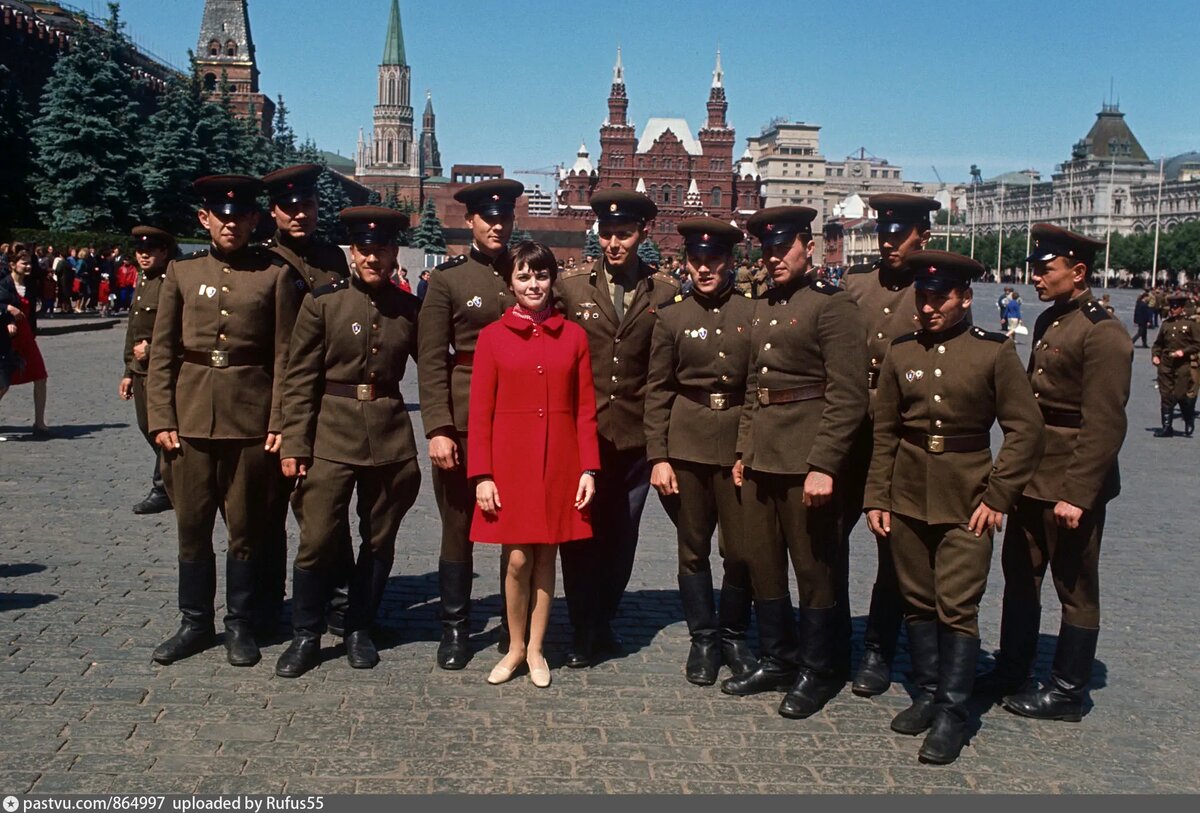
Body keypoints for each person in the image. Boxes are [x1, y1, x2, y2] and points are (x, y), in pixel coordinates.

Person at [865, 250, 1044, 764]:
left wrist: (998, 495)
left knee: (956, 605)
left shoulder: (992, 353)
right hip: (907, 496)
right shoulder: (901, 352)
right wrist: (878, 495)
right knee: (918, 601)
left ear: (966, 298)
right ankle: (926, 692)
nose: (928, 307)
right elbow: (886, 432)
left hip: (967, 500)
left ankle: (952, 713)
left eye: (939, 298)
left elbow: (1025, 429)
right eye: (922, 298)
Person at [977, 225, 1133, 724]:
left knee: (1075, 586)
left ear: (1078, 272)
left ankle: (1067, 689)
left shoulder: (1103, 332)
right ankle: (1013, 667)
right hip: (1032, 477)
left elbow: (1105, 422)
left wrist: (1079, 493)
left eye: (1045, 270)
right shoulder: (1049, 320)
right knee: (1021, 577)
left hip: (1070, 484)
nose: (1035, 278)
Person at [146, 174, 303, 667]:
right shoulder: (181, 273)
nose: (230, 225)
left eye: (240, 217)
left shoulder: (274, 275)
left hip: (250, 422)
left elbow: (285, 357)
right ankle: (194, 622)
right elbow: (164, 353)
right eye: (221, 217)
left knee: (246, 529)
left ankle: (240, 623)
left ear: (254, 220)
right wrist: (160, 418)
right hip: (189, 421)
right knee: (191, 526)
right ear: (204, 219)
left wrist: (279, 418)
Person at [721, 206, 867, 722]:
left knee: (813, 568)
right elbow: (754, 388)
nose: (774, 257)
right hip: (763, 457)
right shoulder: (764, 304)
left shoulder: (833, 306)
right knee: (763, 562)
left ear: (807, 245)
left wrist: (826, 463)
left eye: (783, 248)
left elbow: (849, 396)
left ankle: (819, 667)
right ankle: (778, 658)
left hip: (807, 459)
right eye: (767, 249)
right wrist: (743, 451)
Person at [275, 207, 422, 676]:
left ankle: (359, 626)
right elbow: (298, 380)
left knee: (379, 539)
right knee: (317, 538)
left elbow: (436, 371)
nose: (372, 258)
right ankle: (306, 635)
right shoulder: (323, 303)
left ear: (394, 252)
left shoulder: (409, 309)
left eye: (381, 249)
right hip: (329, 437)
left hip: (389, 437)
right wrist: (296, 444)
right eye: (363, 249)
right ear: (351, 252)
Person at [555, 190, 683, 668]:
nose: (613, 243)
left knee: (622, 535)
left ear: (643, 233)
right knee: (581, 533)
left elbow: (662, 371)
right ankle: (583, 628)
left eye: (623, 234)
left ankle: (603, 618)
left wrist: (659, 442)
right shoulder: (572, 287)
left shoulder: (664, 291)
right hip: (582, 434)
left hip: (634, 435)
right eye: (606, 234)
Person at [468, 241, 599, 688]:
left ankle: (537, 649)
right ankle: (515, 647)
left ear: (552, 279)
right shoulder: (491, 337)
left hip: (561, 460)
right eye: (524, 276)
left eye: (541, 275)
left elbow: (585, 410)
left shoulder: (574, 337)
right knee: (518, 558)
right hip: (511, 462)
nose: (533, 284)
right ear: (510, 283)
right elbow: (479, 411)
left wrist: (588, 469)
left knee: (548, 556)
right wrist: (482, 474)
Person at [644, 217, 758, 686]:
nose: (704, 269)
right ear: (686, 262)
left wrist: (749, 449)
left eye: (713, 260)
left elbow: (758, 386)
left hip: (737, 447)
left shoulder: (754, 314)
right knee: (692, 550)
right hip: (686, 446)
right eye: (696, 260)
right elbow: (657, 390)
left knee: (740, 551)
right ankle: (703, 640)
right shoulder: (672, 316)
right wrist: (659, 457)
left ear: (730, 262)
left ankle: (733, 635)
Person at [417, 178, 524, 670]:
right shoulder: (448, 281)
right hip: (461, 422)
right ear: (471, 221)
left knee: (515, 527)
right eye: (487, 218)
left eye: (503, 218)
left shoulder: (528, 273)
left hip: (518, 422)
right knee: (457, 526)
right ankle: (455, 627)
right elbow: (431, 359)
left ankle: (512, 621)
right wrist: (438, 426)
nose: (496, 225)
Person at [838, 193, 938, 697]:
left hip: (898, 436)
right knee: (827, 538)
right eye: (885, 234)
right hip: (849, 429)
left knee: (892, 549)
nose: (890, 243)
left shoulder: (931, 292)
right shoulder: (856, 283)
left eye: (901, 235)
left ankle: (878, 648)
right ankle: (832, 641)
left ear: (924, 234)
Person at [260, 163, 354, 639]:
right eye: (290, 207)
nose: (300, 214)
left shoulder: (333, 257)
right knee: (267, 510)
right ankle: (269, 604)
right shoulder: (262, 259)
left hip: (326, 398)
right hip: (271, 399)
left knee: (324, 506)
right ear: (273, 211)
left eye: (308, 206)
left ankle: (339, 602)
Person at [118, 226, 176, 515]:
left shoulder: (171, 281)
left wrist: (152, 351)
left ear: (164, 252)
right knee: (146, 426)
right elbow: (134, 328)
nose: (143, 255)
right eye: (140, 251)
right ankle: (173, 481)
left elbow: (184, 328)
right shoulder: (143, 279)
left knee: (160, 429)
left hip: (164, 369)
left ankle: (163, 488)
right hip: (140, 370)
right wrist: (129, 369)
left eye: (150, 250)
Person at [0, 250, 51, 437]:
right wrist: (8, 310)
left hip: (27, 337)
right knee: (3, 383)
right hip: (7, 339)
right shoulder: (4, 284)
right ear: (13, 265)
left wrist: (33, 332)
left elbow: (31, 314)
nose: (28, 266)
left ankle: (39, 422)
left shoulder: (29, 284)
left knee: (40, 376)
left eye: (29, 263)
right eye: (24, 263)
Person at [1150, 294, 1200, 437]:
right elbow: (1158, 344)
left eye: (1176, 307)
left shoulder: (1190, 324)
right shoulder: (1166, 324)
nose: (1173, 309)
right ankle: (1167, 427)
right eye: (1172, 307)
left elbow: (1197, 344)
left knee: (1179, 395)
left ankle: (1188, 418)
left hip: (1182, 365)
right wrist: (1155, 356)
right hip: (1166, 365)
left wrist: (1183, 352)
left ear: (1182, 308)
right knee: (1166, 396)